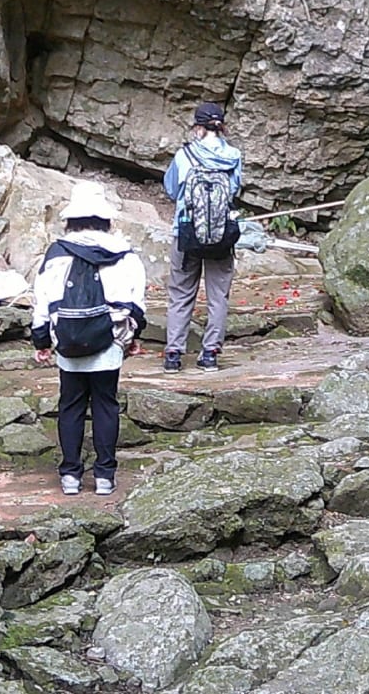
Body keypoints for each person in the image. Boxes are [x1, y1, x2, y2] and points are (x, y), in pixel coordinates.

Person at [28, 183, 146, 496]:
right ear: (105, 219)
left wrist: (41, 340)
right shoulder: (123, 254)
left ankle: (70, 475)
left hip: (68, 339)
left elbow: (42, 302)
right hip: (110, 339)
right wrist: (135, 335)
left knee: (71, 405)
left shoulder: (56, 254)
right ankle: (105, 475)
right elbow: (137, 301)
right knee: (106, 404)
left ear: (71, 219)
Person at [161, 101, 244, 371]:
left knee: (181, 293)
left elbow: (172, 190)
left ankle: (174, 355)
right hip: (221, 236)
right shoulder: (233, 156)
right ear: (221, 127)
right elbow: (235, 190)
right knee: (218, 296)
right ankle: (210, 354)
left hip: (186, 234)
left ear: (198, 127)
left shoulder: (184, 155)